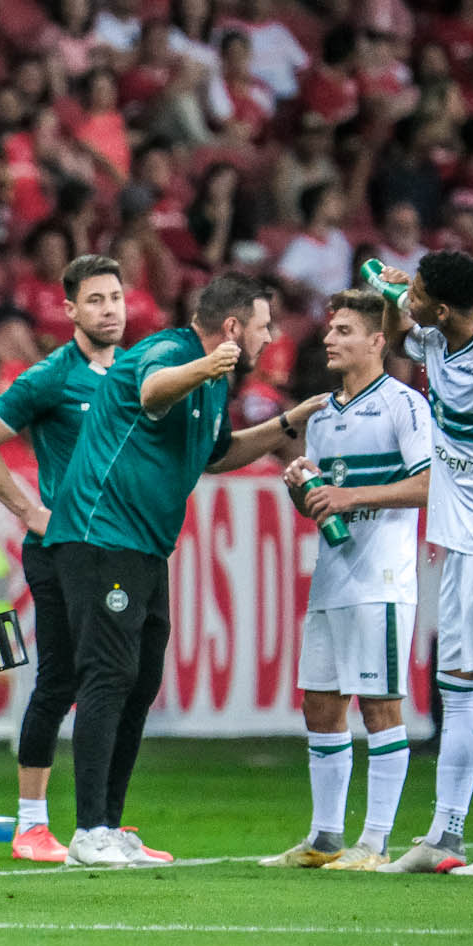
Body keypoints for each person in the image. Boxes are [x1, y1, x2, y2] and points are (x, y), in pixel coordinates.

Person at [45, 273, 324, 868]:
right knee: (108, 676)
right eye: (261, 325)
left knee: (140, 682)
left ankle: (109, 827)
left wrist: (289, 421)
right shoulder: (170, 351)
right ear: (231, 328)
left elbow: (218, 455)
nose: (269, 336)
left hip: (144, 546)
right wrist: (209, 366)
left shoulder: (213, 384)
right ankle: (88, 830)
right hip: (101, 534)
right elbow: (152, 393)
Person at [0, 254, 127, 863]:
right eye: (96, 300)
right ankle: (33, 824)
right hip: (61, 549)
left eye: (116, 298)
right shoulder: (53, 375)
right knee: (62, 679)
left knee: (118, 679)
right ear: (70, 310)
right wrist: (30, 510)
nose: (109, 309)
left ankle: (106, 822)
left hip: (121, 549)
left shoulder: (134, 374)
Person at [262, 291, 428, 870]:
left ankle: (376, 842)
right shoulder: (324, 415)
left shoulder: (404, 406)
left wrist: (350, 494)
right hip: (333, 576)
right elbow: (328, 498)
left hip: (381, 576)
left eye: (344, 331)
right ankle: (326, 837)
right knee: (320, 704)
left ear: (378, 341)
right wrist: (303, 488)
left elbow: (429, 484)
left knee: (380, 704)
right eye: (330, 329)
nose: (329, 339)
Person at [374, 253, 473, 874]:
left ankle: (448, 835)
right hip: (465, 537)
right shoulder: (438, 336)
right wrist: (393, 291)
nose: (407, 295)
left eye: (416, 290)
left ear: (442, 308)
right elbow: (401, 333)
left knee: (467, 686)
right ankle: (446, 836)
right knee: (461, 686)